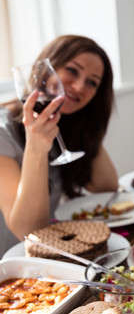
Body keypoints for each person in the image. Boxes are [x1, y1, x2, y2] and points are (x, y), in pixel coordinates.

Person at [0, 35, 118, 254]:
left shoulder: (61, 127)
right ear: (45, 69)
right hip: (11, 267)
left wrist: (89, 127)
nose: (80, 86)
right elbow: (27, 230)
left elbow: (106, 185)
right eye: (73, 70)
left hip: (48, 256)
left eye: (92, 82)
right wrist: (36, 147)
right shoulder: (2, 132)